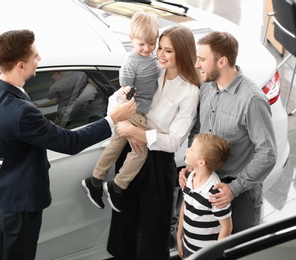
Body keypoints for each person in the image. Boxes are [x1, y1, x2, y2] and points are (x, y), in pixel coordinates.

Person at [0, 29, 136, 260]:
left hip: (4, 192)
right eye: (35, 56)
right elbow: (71, 142)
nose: (39, 60)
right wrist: (113, 119)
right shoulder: (21, 112)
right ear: (21, 65)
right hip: (22, 202)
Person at [106, 25, 201, 260]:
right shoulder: (152, 71)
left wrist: (134, 131)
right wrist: (123, 124)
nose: (159, 53)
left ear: (182, 52)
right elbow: (114, 99)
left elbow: (173, 142)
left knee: (153, 234)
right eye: (160, 47)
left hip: (157, 165)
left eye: (167, 51)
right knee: (124, 227)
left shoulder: (189, 91)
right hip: (131, 154)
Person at [179, 31, 277, 234]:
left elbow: (267, 154)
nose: (197, 65)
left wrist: (235, 189)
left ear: (222, 61)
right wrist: (193, 165)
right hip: (205, 183)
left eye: (202, 59)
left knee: (237, 250)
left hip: (238, 194)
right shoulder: (206, 87)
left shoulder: (252, 100)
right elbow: (198, 131)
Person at [81, 11, 160, 212]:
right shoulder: (130, 64)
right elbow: (126, 93)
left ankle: (96, 180)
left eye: (152, 43)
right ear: (132, 39)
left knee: (115, 146)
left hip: (136, 112)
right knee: (140, 152)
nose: (147, 48)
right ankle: (117, 186)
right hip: (133, 112)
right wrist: (130, 124)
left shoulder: (154, 58)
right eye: (142, 44)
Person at [177, 133, 232, 259]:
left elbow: (226, 227)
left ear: (202, 162)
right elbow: (185, 206)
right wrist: (179, 237)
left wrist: (216, 255)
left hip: (206, 254)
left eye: (191, 149)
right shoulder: (190, 177)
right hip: (187, 247)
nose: (187, 149)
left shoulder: (215, 192)